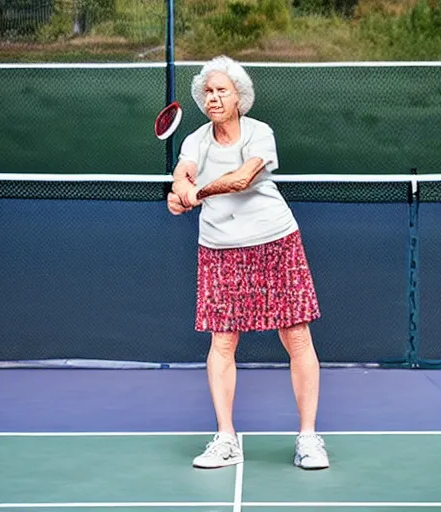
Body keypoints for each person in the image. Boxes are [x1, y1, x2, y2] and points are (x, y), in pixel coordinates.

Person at [166, 55, 329, 471]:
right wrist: (178, 190)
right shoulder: (195, 141)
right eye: (208, 91)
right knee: (222, 342)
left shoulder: (260, 133)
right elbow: (182, 174)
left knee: (296, 336)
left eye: (222, 90)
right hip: (220, 248)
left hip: (274, 240)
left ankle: (309, 438)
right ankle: (225, 439)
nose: (214, 97)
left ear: (239, 96)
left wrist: (195, 193)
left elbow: (242, 178)